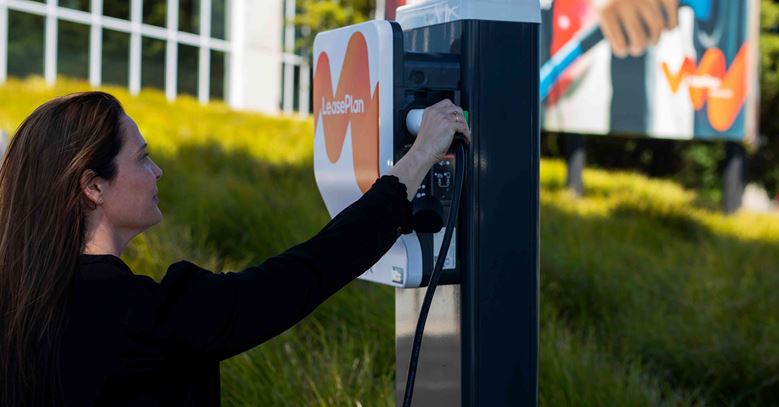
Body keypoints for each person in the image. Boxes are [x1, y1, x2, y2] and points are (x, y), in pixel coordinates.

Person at [0, 92, 470, 406]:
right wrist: (420, 156)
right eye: (142, 157)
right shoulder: (144, 317)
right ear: (93, 187)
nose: (158, 170)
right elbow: (306, 273)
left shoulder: (23, 302)